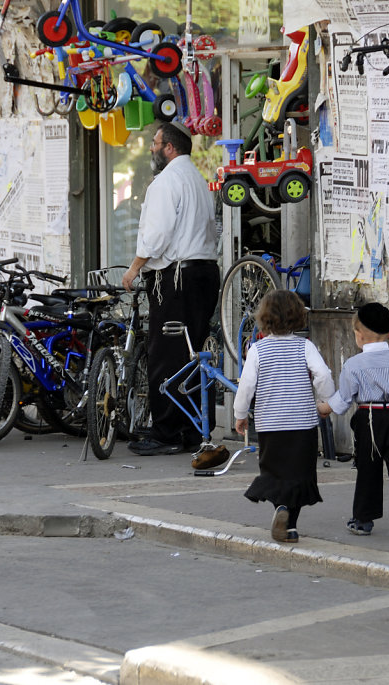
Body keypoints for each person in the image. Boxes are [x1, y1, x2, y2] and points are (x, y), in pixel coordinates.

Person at [121, 122, 218, 456]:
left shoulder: (166, 182)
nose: (151, 149)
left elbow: (158, 234)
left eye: (155, 143)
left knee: (165, 353)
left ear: (169, 148)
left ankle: (166, 432)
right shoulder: (198, 180)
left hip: (176, 277)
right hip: (203, 273)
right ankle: (191, 428)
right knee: (192, 354)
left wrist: (135, 266)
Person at [317, 302, 389, 540]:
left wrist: (325, 408)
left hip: (368, 418)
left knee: (369, 470)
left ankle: (363, 520)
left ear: (358, 335)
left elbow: (344, 399)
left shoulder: (353, 365)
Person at [234, 290, 335, 543]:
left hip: (271, 425)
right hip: (303, 423)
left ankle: (280, 508)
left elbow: (246, 385)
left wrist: (240, 414)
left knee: (275, 470)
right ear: (297, 316)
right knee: (300, 474)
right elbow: (322, 374)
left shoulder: (257, 350)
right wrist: (326, 399)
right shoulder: (305, 346)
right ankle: (290, 525)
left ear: (264, 318)